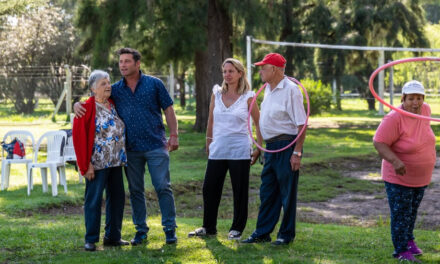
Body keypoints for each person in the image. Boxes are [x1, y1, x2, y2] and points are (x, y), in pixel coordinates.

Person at [74, 48, 179, 245]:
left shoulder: (152, 84)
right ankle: (137, 232)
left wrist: (174, 135)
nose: (122, 65)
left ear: (137, 64)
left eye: (127, 61)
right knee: (132, 191)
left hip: (152, 147)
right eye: (120, 61)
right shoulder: (111, 92)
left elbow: (169, 108)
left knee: (161, 187)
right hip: (123, 153)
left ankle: (168, 230)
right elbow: (91, 104)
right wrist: (76, 105)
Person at [187, 58, 263, 240]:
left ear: (240, 73)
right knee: (209, 188)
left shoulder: (248, 97)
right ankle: (208, 227)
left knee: (239, 190)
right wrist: (208, 141)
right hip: (218, 148)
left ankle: (237, 228)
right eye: (224, 71)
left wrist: (259, 148)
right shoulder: (216, 93)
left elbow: (259, 124)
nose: (227, 75)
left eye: (231, 71)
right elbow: (211, 121)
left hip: (239, 149)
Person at [241, 53, 307, 246]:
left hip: (286, 146)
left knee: (287, 193)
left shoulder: (291, 90)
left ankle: (285, 235)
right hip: (270, 148)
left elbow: (301, 124)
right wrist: (259, 148)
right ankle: (262, 233)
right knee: (267, 191)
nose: (260, 71)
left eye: (263, 67)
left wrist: (297, 152)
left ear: (275, 69)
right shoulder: (268, 89)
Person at [373, 80, 436, 262]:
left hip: (420, 177)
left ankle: (409, 240)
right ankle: (401, 250)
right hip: (398, 176)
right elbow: (378, 142)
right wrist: (395, 161)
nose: (415, 103)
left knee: (412, 211)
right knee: (401, 214)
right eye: (411, 99)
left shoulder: (426, 110)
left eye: (419, 98)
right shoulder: (394, 118)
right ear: (403, 98)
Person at [73, 70, 129, 251]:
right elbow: (79, 138)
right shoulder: (85, 108)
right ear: (93, 88)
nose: (108, 86)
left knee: (117, 198)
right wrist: (85, 165)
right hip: (96, 163)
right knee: (94, 199)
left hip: (115, 161)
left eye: (108, 82)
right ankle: (90, 239)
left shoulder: (112, 104)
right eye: (103, 83)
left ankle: (113, 236)